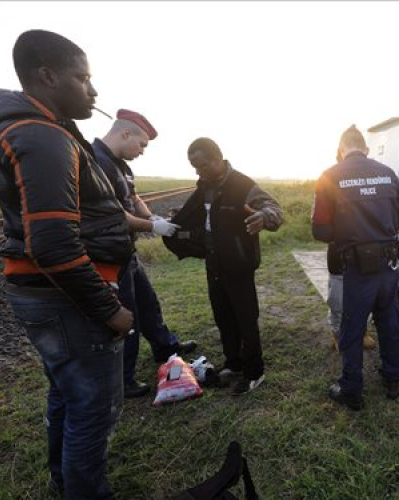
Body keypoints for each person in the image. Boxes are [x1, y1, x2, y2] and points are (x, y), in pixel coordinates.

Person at [0, 30, 134, 499]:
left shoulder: (44, 127)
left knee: (66, 392)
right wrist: (108, 309)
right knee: (93, 409)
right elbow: (54, 244)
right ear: (47, 76)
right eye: (84, 78)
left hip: (48, 295)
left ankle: (62, 477)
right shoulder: (41, 135)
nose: (93, 91)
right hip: (69, 299)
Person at [93, 109, 197, 398]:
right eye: (142, 145)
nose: (141, 152)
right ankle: (124, 379)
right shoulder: (96, 162)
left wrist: (155, 219)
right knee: (127, 315)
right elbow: (115, 214)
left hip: (127, 253)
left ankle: (166, 348)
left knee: (148, 303)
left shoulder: (120, 164)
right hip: (108, 255)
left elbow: (134, 198)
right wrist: (153, 226)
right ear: (126, 133)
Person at [169, 137, 283, 396]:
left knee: (246, 321)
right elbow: (200, 216)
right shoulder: (204, 187)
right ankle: (233, 364)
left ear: (219, 158)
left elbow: (274, 208)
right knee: (224, 318)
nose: (198, 171)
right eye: (194, 166)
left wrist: (264, 216)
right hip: (214, 265)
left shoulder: (243, 185)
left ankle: (255, 372)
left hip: (239, 266)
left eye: (203, 164)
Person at [312, 125, 399, 410]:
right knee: (389, 320)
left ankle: (351, 388)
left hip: (356, 268)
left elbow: (320, 230)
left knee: (353, 326)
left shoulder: (329, 176)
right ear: (365, 149)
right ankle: (392, 379)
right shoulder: (387, 172)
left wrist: (348, 230)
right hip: (389, 263)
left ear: (341, 149)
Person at [326, 243, 377, 351]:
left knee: (364, 301)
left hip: (364, 260)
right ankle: (337, 334)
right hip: (338, 264)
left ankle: (363, 331)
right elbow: (321, 233)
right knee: (337, 303)